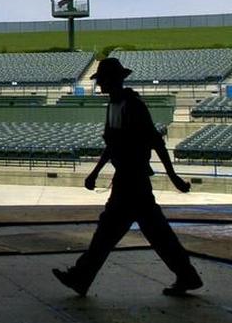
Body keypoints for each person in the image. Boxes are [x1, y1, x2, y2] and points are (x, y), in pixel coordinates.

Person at [53, 57, 202, 297]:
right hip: (128, 180)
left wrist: (173, 176)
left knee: (109, 233)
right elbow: (112, 145)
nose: (100, 84)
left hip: (133, 182)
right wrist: (95, 172)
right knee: (155, 233)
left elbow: (156, 142)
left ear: (114, 80)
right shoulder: (113, 106)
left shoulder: (133, 106)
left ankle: (81, 277)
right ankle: (187, 275)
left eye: (102, 80)